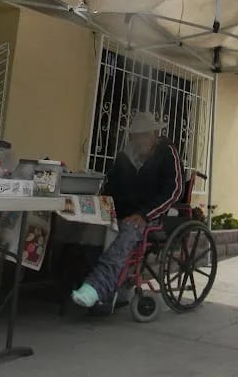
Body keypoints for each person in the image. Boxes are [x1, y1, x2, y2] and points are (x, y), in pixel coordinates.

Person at [71, 111, 183, 308]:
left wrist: (144, 214)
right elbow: (110, 186)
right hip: (121, 211)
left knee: (127, 233)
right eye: (136, 135)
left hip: (150, 215)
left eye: (144, 134)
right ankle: (110, 290)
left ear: (154, 134)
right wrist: (102, 207)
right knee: (89, 232)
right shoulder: (125, 156)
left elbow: (174, 190)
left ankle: (96, 287)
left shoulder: (167, 153)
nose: (139, 139)